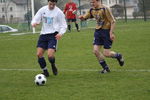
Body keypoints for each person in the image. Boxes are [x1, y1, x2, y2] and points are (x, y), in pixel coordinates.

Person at [79, 0, 124, 73]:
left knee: (106, 53)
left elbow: (113, 21)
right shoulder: (92, 9)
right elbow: (86, 17)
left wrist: (111, 33)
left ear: (98, 1)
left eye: (93, 2)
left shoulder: (105, 8)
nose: (92, 4)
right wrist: (82, 17)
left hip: (106, 32)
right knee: (95, 51)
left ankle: (118, 56)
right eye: (91, 2)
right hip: (98, 32)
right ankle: (106, 68)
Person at [31, 0, 67, 77]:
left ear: (55, 4)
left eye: (53, 4)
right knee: (39, 54)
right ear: (48, 2)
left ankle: (53, 65)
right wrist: (34, 23)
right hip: (43, 35)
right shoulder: (42, 10)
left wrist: (60, 33)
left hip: (53, 35)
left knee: (50, 55)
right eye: (50, 4)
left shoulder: (59, 12)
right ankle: (45, 71)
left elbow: (64, 25)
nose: (51, 6)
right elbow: (35, 18)